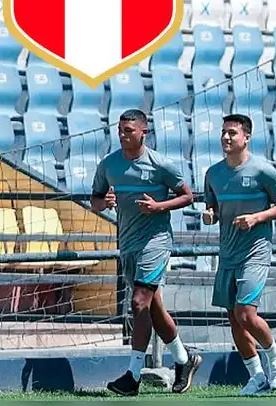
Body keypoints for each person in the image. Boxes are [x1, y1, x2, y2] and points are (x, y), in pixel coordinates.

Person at [91, 110, 200, 396]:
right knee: (153, 307)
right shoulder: (109, 165)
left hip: (156, 242)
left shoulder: (160, 165)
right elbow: (95, 200)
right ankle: (184, 359)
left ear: (143, 132)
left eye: (129, 130)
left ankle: (133, 375)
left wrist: (160, 207)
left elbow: (188, 196)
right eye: (120, 129)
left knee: (139, 303)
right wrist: (105, 201)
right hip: (128, 244)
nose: (123, 134)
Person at [202, 114, 276, 396]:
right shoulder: (213, 173)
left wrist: (258, 217)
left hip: (255, 251)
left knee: (246, 313)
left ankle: (275, 355)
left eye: (232, 133)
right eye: (223, 133)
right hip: (227, 254)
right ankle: (257, 376)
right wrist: (210, 214)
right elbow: (213, 208)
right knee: (234, 318)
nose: (226, 138)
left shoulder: (263, 170)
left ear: (247, 138)